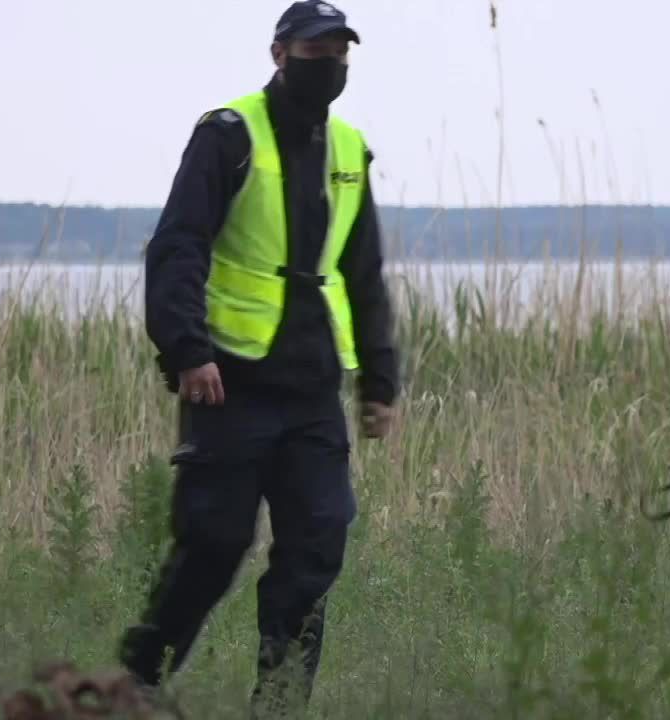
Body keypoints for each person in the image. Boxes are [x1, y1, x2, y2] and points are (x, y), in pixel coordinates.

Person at [117, 1, 400, 714]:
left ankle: (277, 704)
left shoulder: (348, 152)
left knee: (314, 554)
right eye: (315, 50)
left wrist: (380, 381)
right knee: (213, 545)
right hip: (229, 384)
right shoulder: (228, 136)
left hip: (313, 394)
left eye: (340, 51)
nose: (329, 63)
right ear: (279, 54)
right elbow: (178, 247)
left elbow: (363, 274)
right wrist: (187, 350)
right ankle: (140, 680)